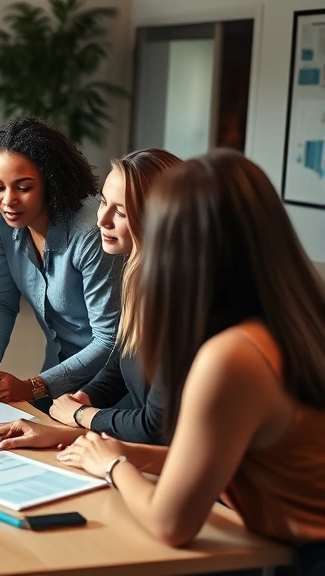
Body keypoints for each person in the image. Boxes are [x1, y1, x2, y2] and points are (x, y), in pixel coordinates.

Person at [55, 150, 325, 570]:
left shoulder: (232, 356)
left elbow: (171, 523)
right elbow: (218, 460)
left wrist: (113, 464)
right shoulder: (286, 323)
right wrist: (115, 450)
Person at [0, 149, 182, 450]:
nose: (103, 220)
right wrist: (85, 399)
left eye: (121, 212)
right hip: (118, 428)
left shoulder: (178, 299)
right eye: (103, 202)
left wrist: (83, 415)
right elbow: (121, 365)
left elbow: (155, 426)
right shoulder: (140, 276)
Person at [0, 117, 123, 409]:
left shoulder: (90, 233)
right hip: (57, 375)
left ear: (51, 183)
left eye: (23, 188)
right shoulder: (4, 221)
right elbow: (1, 299)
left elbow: (109, 339)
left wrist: (33, 386)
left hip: (111, 387)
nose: (8, 201)